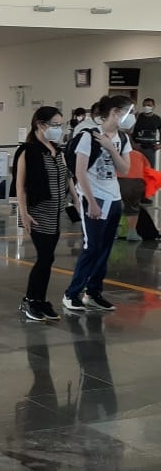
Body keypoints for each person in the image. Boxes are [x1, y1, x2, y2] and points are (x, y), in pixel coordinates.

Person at [62, 95, 133, 313]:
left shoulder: (122, 138)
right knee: (91, 247)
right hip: (93, 198)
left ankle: (93, 292)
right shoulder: (88, 137)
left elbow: (125, 169)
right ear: (115, 112)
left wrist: (111, 148)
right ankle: (71, 293)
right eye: (129, 112)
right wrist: (91, 202)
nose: (131, 117)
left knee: (105, 248)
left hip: (114, 198)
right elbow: (80, 172)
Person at [14, 106, 73, 321]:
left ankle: (40, 300)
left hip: (56, 212)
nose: (59, 129)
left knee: (48, 258)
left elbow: (67, 177)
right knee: (45, 257)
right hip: (38, 211)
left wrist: (76, 199)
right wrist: (24, 213)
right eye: (55, 125)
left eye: (61, 125)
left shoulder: (57, 150)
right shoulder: (27, 151)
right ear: (40, 124)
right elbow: (20, 186)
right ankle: (30, 300)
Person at [117, 149, 149, 241]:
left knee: (115, 206)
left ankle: (115, 232)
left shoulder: (114, 153)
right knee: (133, 208)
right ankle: (132, 233)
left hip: (119, 181)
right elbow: (147, 169)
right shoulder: (139, 154)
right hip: (137, 183)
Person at [132, 97, 161, 166]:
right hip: (136, 147)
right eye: (144, 105)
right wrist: (133, 144)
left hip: (150, 149)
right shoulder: (137, 117)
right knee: (137, 168)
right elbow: (128, 131)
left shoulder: (157, 119)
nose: (146, 107)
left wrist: (160, 145)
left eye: (149, 105)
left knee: (149, 169)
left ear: (153, 106)